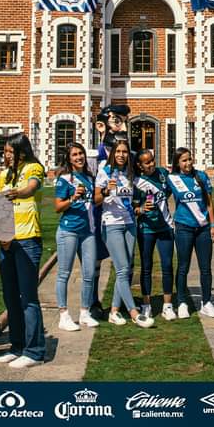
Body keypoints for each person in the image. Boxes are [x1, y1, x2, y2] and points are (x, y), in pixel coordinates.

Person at [0, 132, 47, 368]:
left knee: (28, 298)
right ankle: (16, 347)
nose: (5, 155)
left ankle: (35, 351)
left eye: (9, 151)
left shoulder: (33, 167)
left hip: (27, 240)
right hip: (6, 243)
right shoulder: (4, 175)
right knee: (11, 297)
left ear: (21, 152)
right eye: (4, 151)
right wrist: (1, 237)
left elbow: (31, 189)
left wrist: (17, 192)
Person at [94, 139, 155, 328]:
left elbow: (146, 188)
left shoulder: (129, 173)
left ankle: (114, 311)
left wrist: (144, 205)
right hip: (111, 224)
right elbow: (95, 199)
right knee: (122, 269)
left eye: (125, 152)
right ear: (113, 154)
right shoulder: (105, 171)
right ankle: (134, 313)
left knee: (126, 269)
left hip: (129, 223)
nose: (121, 154)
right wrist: (105, 191)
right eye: (118, 151)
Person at [53, 142, 100, 331]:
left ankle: (84, 312)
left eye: (81, 154)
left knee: (89, 273)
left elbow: (94, 201)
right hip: (68, 230)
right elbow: (57, 207)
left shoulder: (89, 177)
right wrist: (73, 198)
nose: (79, 157)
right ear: (69, 159)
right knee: (64, 273)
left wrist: (105, 192)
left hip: (88, 231)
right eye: (75, 155)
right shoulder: (65, 179)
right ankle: (63, 314)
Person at [167, 147, 214, 318]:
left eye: (189, 159)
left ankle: (207, 302)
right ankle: (181, 302)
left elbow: (209, 203)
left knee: (206, 268)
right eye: (184, 160)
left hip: (203, 228)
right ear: (177, 163)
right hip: (183, 227)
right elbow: (160, 197)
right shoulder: (172, 179)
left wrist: (213, 225)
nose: (188, 163)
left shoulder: (201, 176)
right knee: (183, 267)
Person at [133, 148, 176, 320]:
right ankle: (146, 304)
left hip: (165, 226)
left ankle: (167, 305)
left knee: (167, 265)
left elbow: (169, 191)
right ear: (140, 165)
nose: (151, 164)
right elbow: (133, 208)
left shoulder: (163, 173)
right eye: (147, 162)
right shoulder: (136, 182)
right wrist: (142, 209)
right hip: (146, 228)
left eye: (152, 160)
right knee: (146, 267)